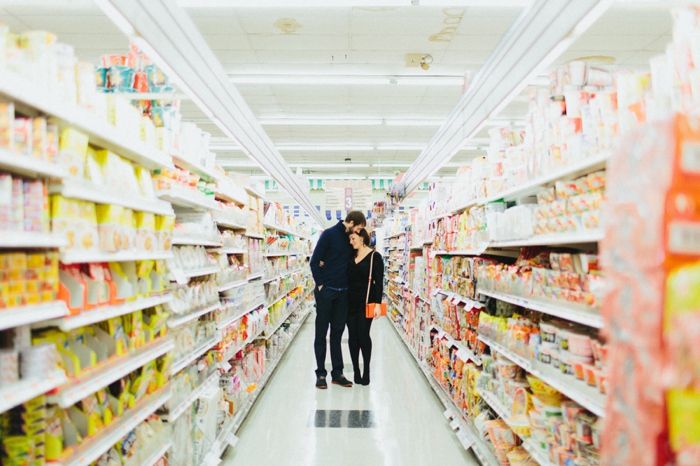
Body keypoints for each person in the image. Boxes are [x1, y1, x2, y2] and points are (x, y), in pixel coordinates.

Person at [310, 210, 367, 389]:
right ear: (349, 222)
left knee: (337, 333)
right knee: (321, 333)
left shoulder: (353, 239)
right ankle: (320, 374)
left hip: (343, 294)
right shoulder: (329, 235)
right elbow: (314, 261)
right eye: (358, 227)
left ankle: (337, 373)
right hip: (326, 292)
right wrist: (320, 285)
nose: (358, 232)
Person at [347, 228, 384, 386]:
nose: (351, 241)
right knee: (352, 337)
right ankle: (355, 369)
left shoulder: (375, 257)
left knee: (363, 335)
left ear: (362, 238)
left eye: (353, 238)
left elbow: (379, 283)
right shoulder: (350, 255)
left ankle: (366, 370)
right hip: (349, 303)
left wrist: (378, 305)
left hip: (366, 303)